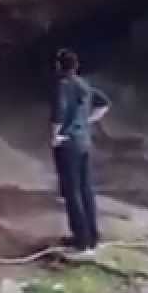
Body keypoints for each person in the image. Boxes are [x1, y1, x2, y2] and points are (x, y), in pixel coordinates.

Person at [49, 48, 110, 255]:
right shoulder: (84, 84)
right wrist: (86, 121)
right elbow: (104, 104)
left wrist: (55, 136)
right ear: (76, 66)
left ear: (59, 66)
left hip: (69, 144)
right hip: (84, 141)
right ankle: (92, 236)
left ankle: (80, 240)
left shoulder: (62, 85)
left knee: (72, 190)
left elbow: (58, 113)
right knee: (86, 189)